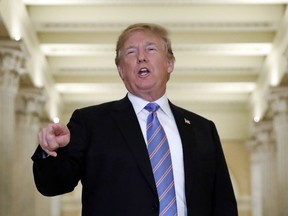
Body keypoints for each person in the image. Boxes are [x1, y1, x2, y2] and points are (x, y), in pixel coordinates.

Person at [32, 23, 238, 216]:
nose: (141, 57)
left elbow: (223, 203)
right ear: (121, 70)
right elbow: (52, 184)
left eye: (150, 49)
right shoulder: (91, 122)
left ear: (169, 63)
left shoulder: (203, 129)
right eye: (131, 52)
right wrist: (50, 150)